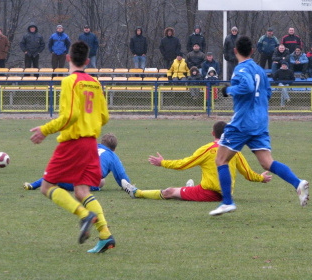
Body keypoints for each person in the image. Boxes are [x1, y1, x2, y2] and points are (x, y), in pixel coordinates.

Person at [29, 41, 114, 254]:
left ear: (68, 58)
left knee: (47, 187)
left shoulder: (69, 81)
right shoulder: (96, 83)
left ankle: (85, 215)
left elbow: (69, 116)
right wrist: (90, 123)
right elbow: (104, 117)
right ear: (87, 61)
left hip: (73, 143)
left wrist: (45, 130)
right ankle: (105, 235)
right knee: (81, 190)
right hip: (91, 143)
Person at [210, 36, 309, 216]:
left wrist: (228, 90)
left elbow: (247, 87)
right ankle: (297, 183)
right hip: (260, 122)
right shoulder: (260, 70)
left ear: (235, 51)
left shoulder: (240, 68)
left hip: (242, 122)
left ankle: (227, 202)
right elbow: (268, 92)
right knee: (267, 163)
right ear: (252, 51)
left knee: (221, 160)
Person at [121, 121, 272, 201]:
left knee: (169, 192)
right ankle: (189, 189)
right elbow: (247, 173)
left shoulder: (207, 149)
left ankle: (137, 193)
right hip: (225, 194)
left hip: (209, 193)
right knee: (180, 191)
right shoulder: (235, 150)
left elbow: (184, 164)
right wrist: (262, 178)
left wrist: (163, 162)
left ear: (213, 133)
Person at [24, 133, 132, 192]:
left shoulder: (91, 146)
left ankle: (32, 185)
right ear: (114, 149)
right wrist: (128, 186)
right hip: (82, 182)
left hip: (73, 172)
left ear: (101, 143)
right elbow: (122, 178)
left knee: (55, 177)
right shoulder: (113, 156)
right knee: (99, 182)